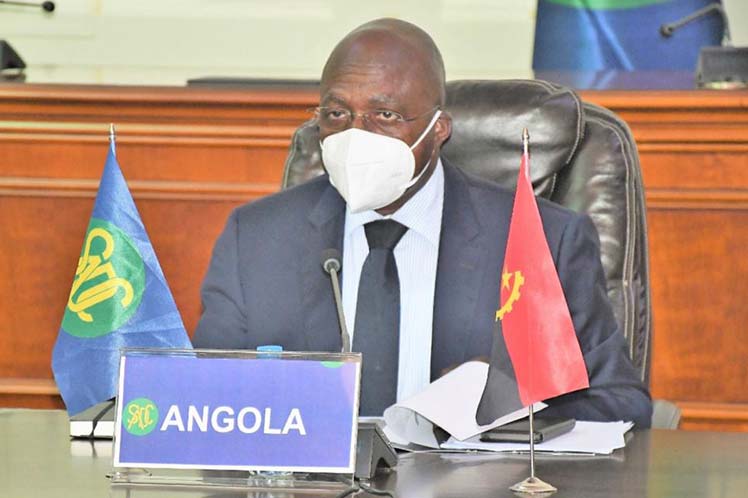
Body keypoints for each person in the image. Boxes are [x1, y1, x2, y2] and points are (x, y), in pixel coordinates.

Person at [193, 18, 652, 427]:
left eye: (385, 115)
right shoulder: (256, 239)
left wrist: (499, 406)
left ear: (439, 129)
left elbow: (621, 403)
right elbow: (205, 398)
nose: (355, 135)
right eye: (336, 114)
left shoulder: (542, 242)